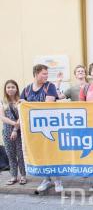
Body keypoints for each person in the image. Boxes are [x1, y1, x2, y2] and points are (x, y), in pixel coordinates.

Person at [20, 64, 62, 192]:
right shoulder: (27, 89)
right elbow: (21, 106)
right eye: (44, 74)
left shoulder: (50, 86)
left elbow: (48, 105)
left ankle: (58, 180)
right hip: (35, 129)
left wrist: (27, 104)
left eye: (47, 74)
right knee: (41, 153)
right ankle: (46, 179)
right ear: (36, 74)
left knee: (53, 153)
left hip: (50, 127)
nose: (46, 76)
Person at [0, 80, 26, 185]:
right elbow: (2, 117)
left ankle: (23, 176)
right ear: (5, 89)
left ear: (16, 89)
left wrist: (15, 129)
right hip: (6, 131)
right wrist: (14, 124)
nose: (10, 89)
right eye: (8, 87)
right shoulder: (2, 102)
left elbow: (22, 117)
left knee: (20, 155)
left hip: (19, 132)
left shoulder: (21, 101)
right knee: (10, 154)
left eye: (13, 87)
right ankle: (14, 176)